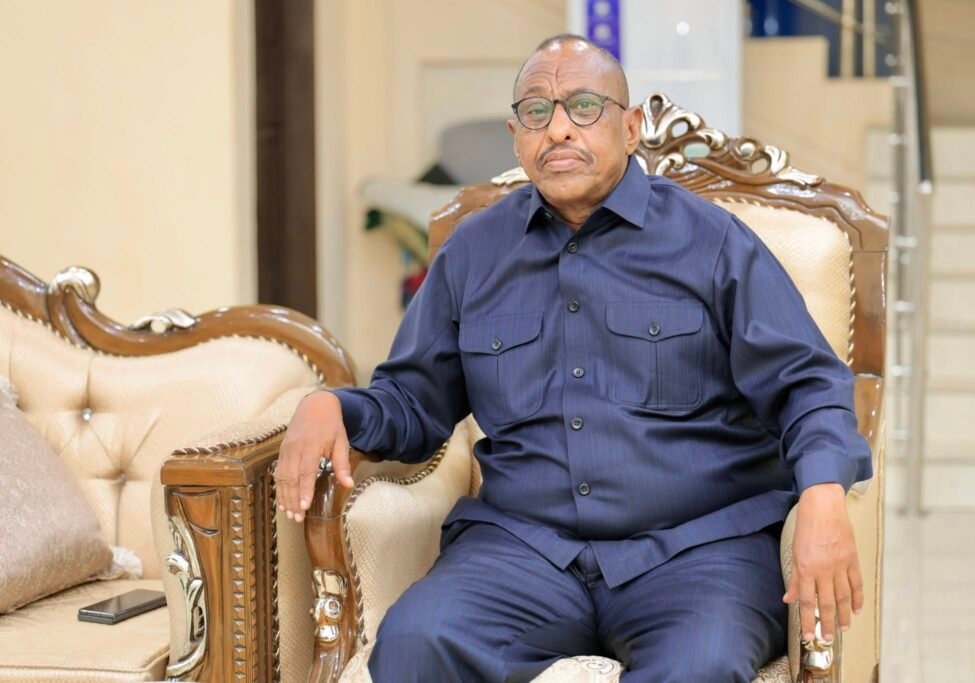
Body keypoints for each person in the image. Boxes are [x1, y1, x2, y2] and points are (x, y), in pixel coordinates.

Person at [274, 33, 872, 682]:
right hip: (524, 550)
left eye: (584, 106)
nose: (558, 128)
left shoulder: (712, 243)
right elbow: (414, 402)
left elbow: (807, 383)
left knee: (699, 665)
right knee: (418, 641)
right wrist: (333, 406)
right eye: (537, 111)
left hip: (699, 550)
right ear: (516, 137)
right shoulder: (475, 252)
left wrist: (822, 492)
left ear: (631, 126)